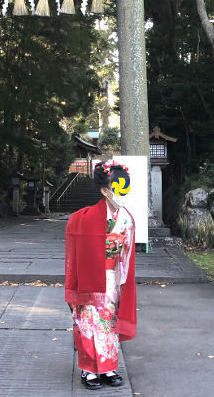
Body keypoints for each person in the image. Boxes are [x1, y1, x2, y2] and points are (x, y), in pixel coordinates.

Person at [65, 160, 136, 390]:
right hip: (89, 277)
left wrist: (123, 277)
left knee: (109, 322)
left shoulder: (126, 219)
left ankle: (108, 367)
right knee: (88, 322)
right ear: (105, 190)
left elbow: (127, 252)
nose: (123, 193)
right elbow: (77, 251)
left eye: (126, 188)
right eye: (119, 188)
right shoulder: (83, 218)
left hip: (113, 277)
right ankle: (88, 370)